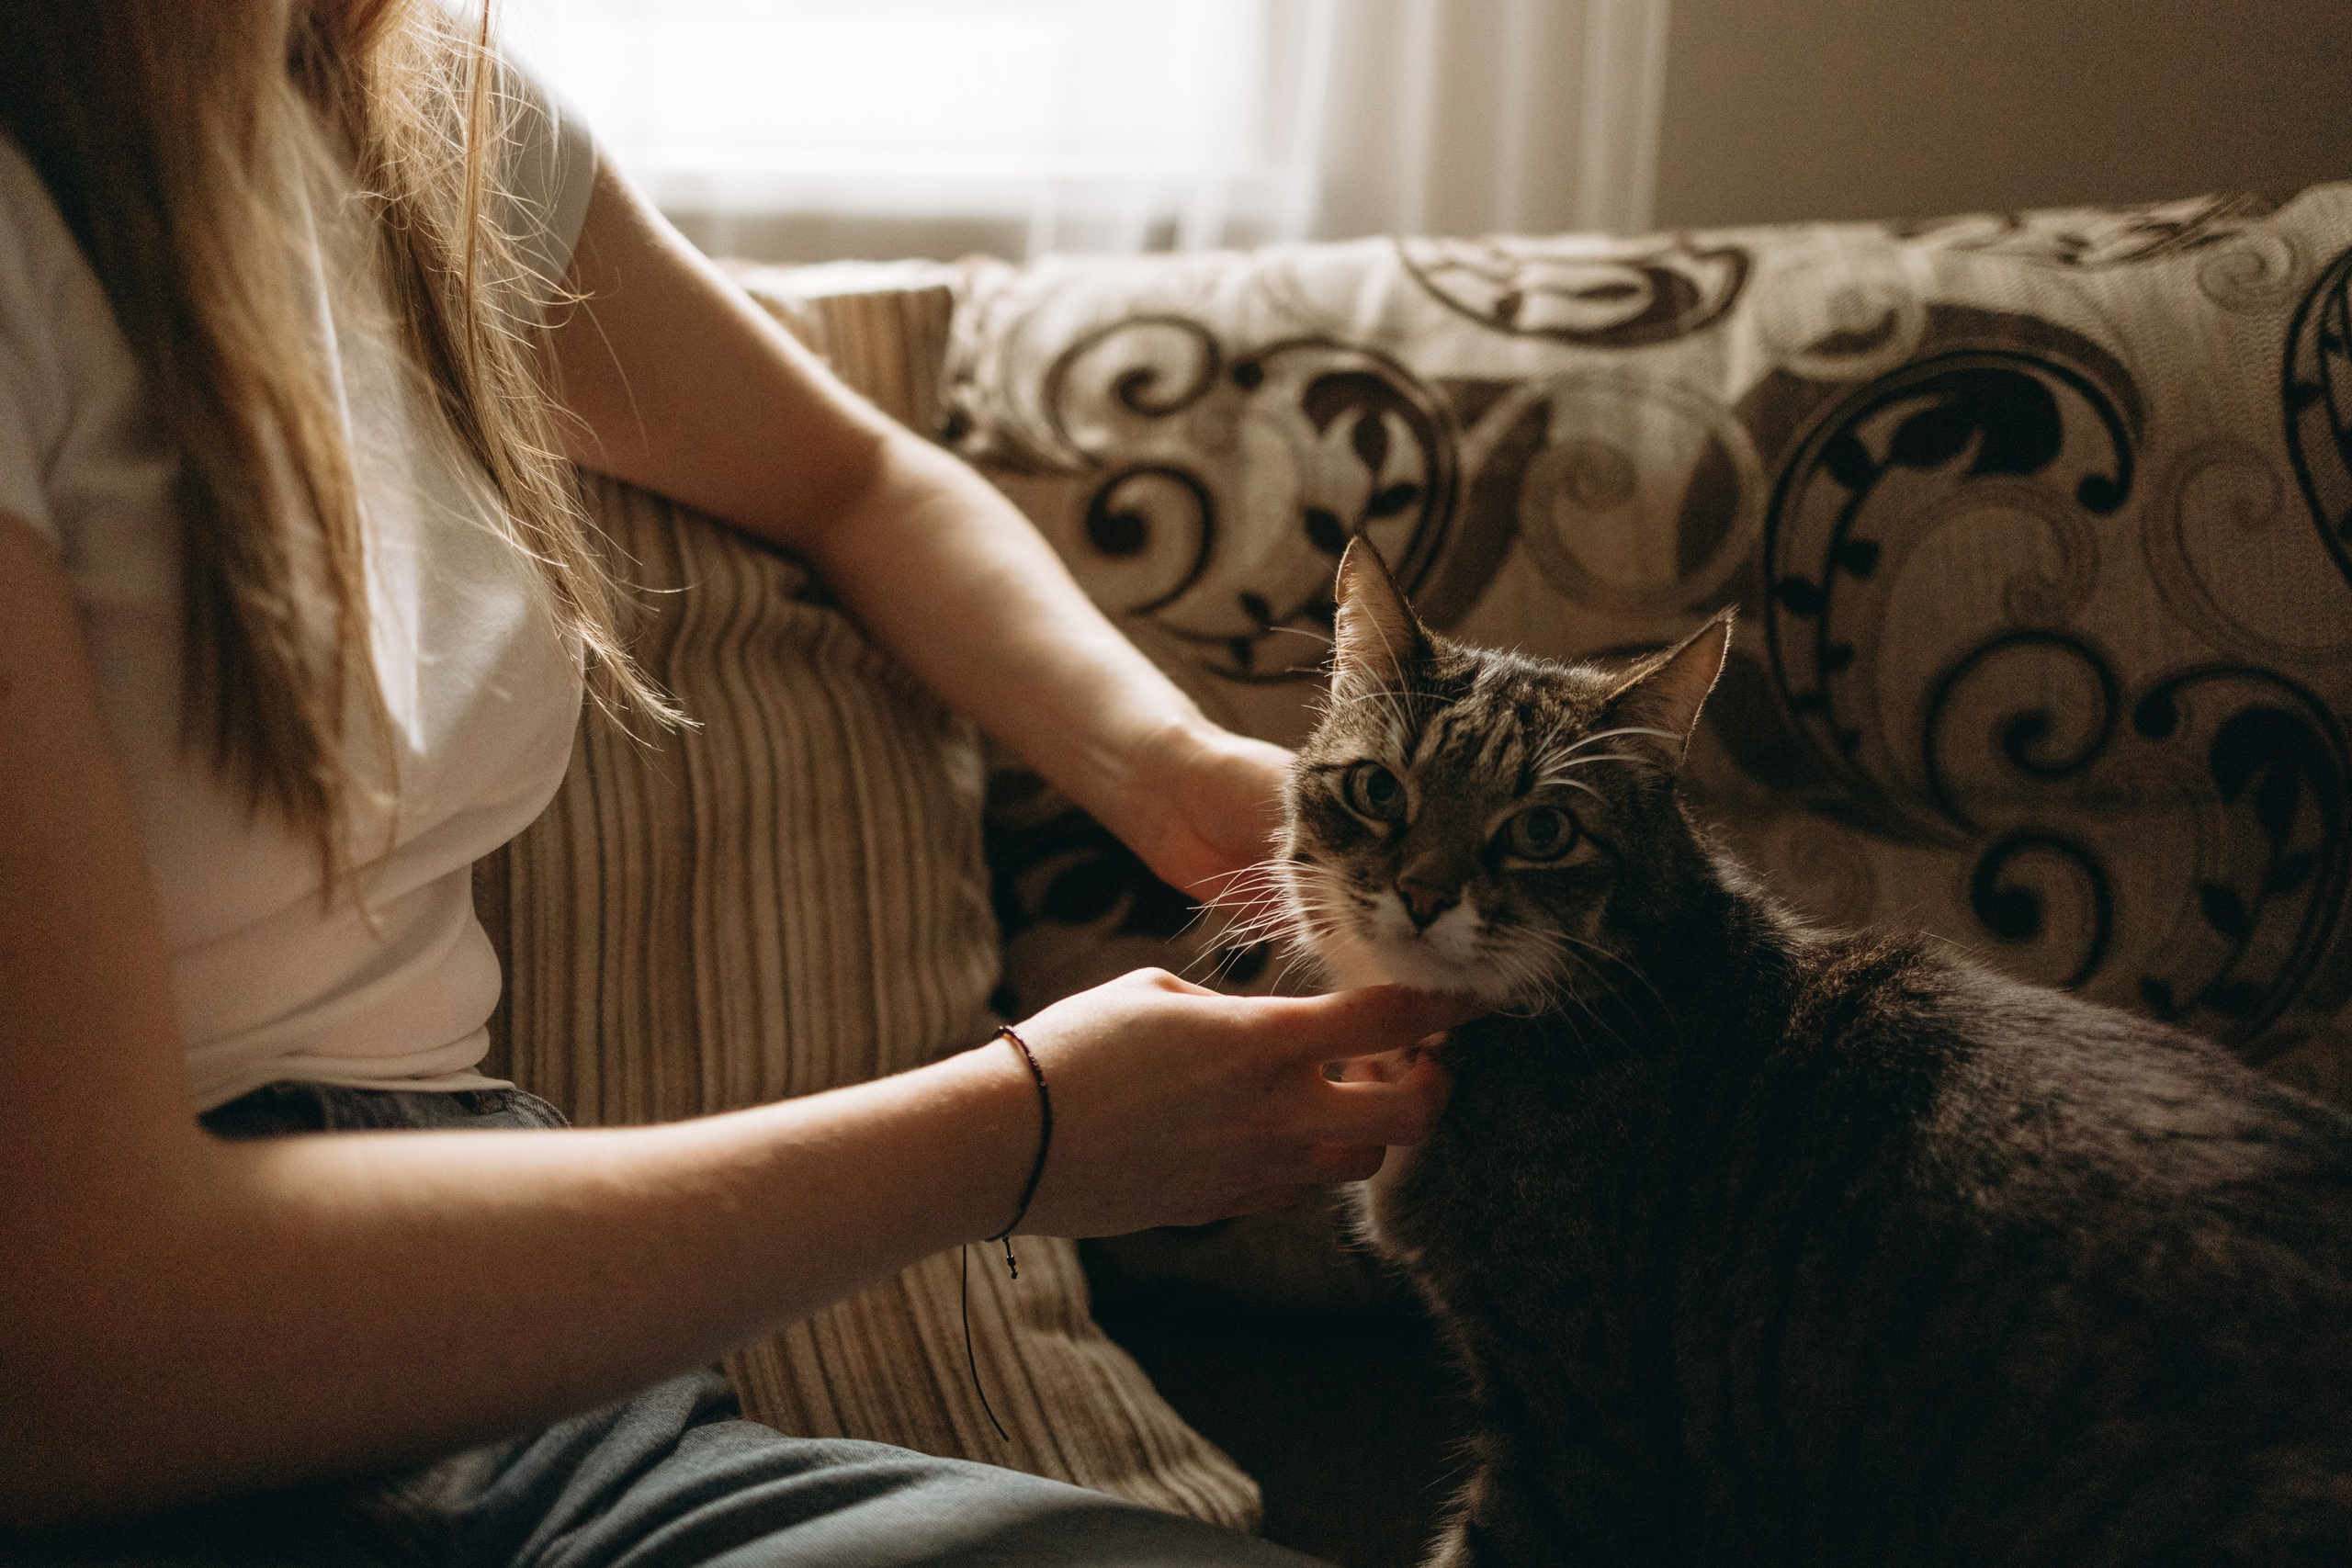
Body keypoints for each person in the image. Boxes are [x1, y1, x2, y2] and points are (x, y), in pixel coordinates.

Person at [0, 3, 1464, 1562]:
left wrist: (1177, 779)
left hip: (552, 1427)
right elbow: (90, 1349)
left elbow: (857, 482)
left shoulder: (421, 115)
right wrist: (1020, 1134)